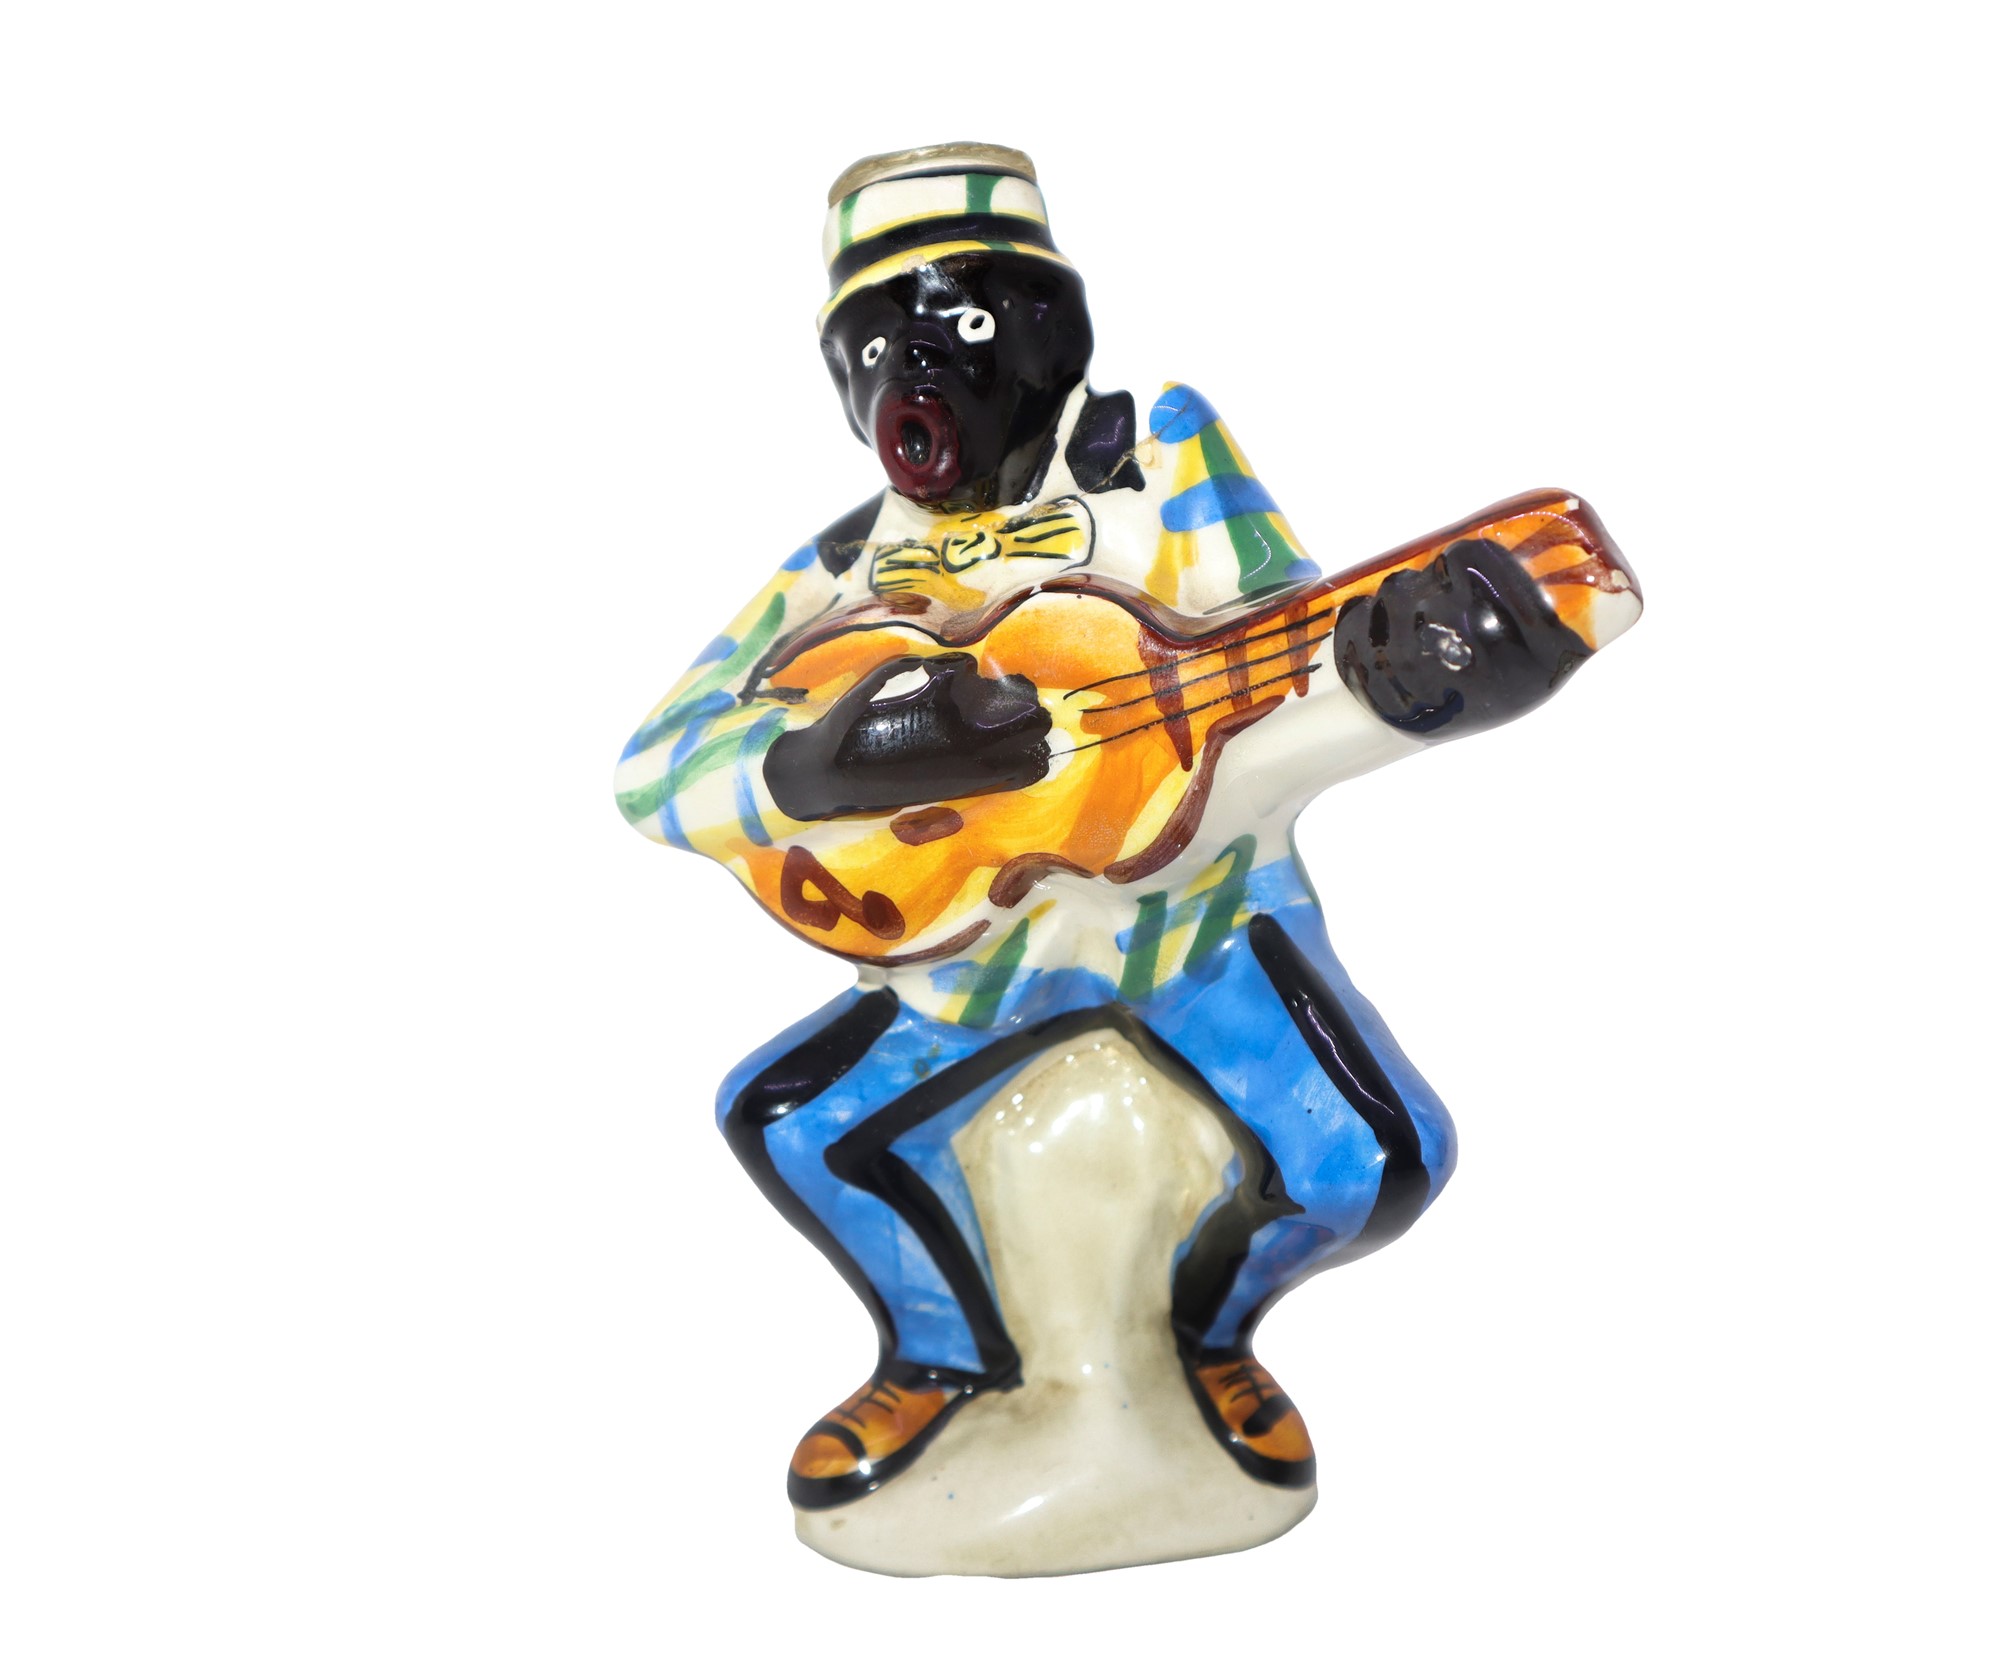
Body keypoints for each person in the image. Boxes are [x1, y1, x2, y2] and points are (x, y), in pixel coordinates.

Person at [615, 144, 1635, 1509]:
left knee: (1376, 1164)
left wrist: (1407, 694)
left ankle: (1206, 1333)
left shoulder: (1159, 464)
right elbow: (650, 774)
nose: (910, 378)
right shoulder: (841, 563)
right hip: (965, 962)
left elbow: (1281, 673)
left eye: (961, 327)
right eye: (869, 353)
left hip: (1193, 929)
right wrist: (815, 765)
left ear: (1054, 331)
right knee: (790, 1122)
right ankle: (943, 1353)